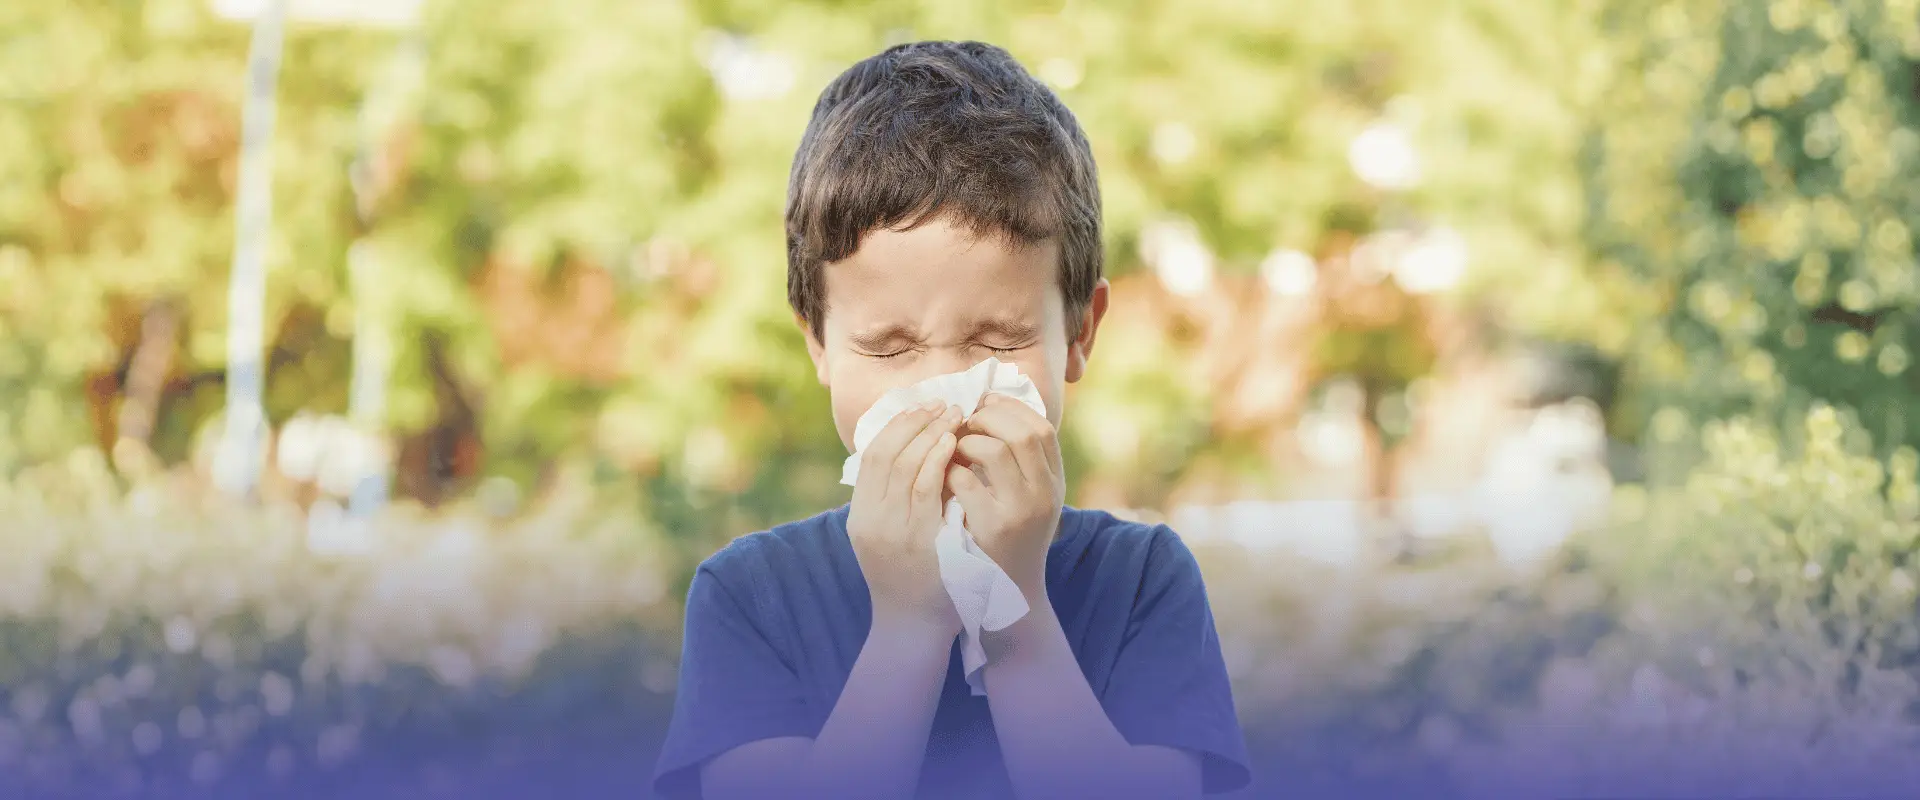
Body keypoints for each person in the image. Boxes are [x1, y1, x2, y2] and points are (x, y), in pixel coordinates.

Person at [650, 41, 1250, 800]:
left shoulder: (1142, 583)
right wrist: (907, 626)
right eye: (887, 345)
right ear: (819, 344)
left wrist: (1015, 613)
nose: (941, 391)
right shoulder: (749, 596)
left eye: (999, 341)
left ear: (1079, 333)